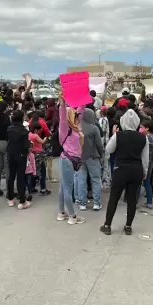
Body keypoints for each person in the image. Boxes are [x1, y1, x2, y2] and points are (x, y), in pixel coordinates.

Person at [100, 109, 148, 235]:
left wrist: (113, 134)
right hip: (136, 170)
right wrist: (145, 171)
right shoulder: (143, 138)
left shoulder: (119, 135)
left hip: (121, 169)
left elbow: (109, 149)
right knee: (132, 199)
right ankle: (128, 226)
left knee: (114, 198)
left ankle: (107, 225)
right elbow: (145, 158)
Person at [57, 92, 86, 225]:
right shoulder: (64, 128)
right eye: (73, 114)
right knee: (68, 190)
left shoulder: (74, 126)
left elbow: (81, 110)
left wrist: (83, 95)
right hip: (68, 160)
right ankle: (72, 217)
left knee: (63, 188)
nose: (76, 115)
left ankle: (61, 213)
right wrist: (62, 103)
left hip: (69, 160)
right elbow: (63, 116)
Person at [5, 110, 31, 208]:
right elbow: (25, 146)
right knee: (20, 177)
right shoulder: (24, 131)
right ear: (22, 118)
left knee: (11, 176)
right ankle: (22, 200)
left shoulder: (9, 129)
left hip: (10, 153)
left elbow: (7, 140)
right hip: (21, 155)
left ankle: (10, 199)